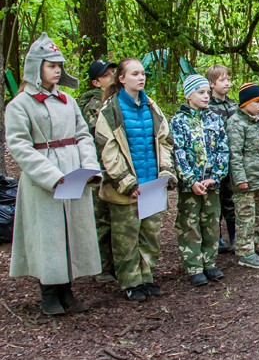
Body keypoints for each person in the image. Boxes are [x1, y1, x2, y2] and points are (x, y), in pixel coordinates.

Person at [6, 34, 102, 315]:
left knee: (72, 231)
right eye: (51, 65)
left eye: (59, 65)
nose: (58, 70)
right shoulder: (19, 105)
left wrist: (88, 167)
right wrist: (51, 176)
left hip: (73, 173)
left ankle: (67, 290)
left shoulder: (68, 101)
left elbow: (83, 135)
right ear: (37, 68)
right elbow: (20, 146)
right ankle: (48, 293)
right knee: (48, 235)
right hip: (44, 181)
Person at [95, 58, 177, 302]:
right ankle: (131, 282)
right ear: (121, 79)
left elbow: (164, 139)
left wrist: (165, 171)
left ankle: (147, 276)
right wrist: (125, 182)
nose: (140, 78)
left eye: (142, 73)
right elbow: (107, 148)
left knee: (150, 234)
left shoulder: (152, 106)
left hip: (151, 183)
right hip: (126, 187)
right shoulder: (110, 109)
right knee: (126, 238)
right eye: (134, 74)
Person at [171, 74, 230, 286]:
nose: (206, 96)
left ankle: (209, 262)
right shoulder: (178, 121)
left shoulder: (215, 118)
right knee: (190, 224)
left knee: (211, 222)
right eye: (200, 92)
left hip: (211, 183)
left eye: (207, 92)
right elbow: (178, 152)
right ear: (189, 95)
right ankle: (194, 265)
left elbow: (223, 148)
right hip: (191, 186)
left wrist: (216, 176)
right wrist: (189, 180)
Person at [227, 83, 259, 269]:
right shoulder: (236, 123)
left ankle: (257, 243)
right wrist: (240, 178)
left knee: (258, 214)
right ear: (245, 103)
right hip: (246, 181)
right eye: (257, 102)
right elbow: (235, 154)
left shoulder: (257, 119)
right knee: (245, 215)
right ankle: (245, 251)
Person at [77, 58, 117, 283]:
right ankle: (102, 267)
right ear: (95, 82)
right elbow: (97, 131)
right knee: (102, 218)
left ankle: (119, 264)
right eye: (106, 74)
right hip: (99, 166)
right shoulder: (92, 103)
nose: (112, 76)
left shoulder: (118, 99)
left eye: (113, 71)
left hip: (118, 166)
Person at [206, 64, 239, 254]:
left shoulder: (233, 105)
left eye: (228, 79)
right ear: (211, 83)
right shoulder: (207, 106)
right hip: (214, 161)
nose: (227, 83)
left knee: (231, 199)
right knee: (216, 199)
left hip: (232, 159)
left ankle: (234, 236)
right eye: (222, 80)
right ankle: (216, 237)